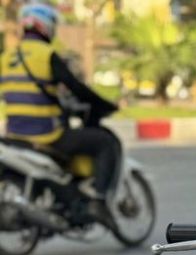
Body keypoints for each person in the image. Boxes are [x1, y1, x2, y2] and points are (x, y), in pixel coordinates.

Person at [0, 3, 120, 212]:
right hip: (46, 136)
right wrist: (105, 105)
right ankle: (98, 201)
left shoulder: (6, 58)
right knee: (105, 142)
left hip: (14, 135)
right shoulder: (46, 55)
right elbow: (76, 87)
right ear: (45, 26)